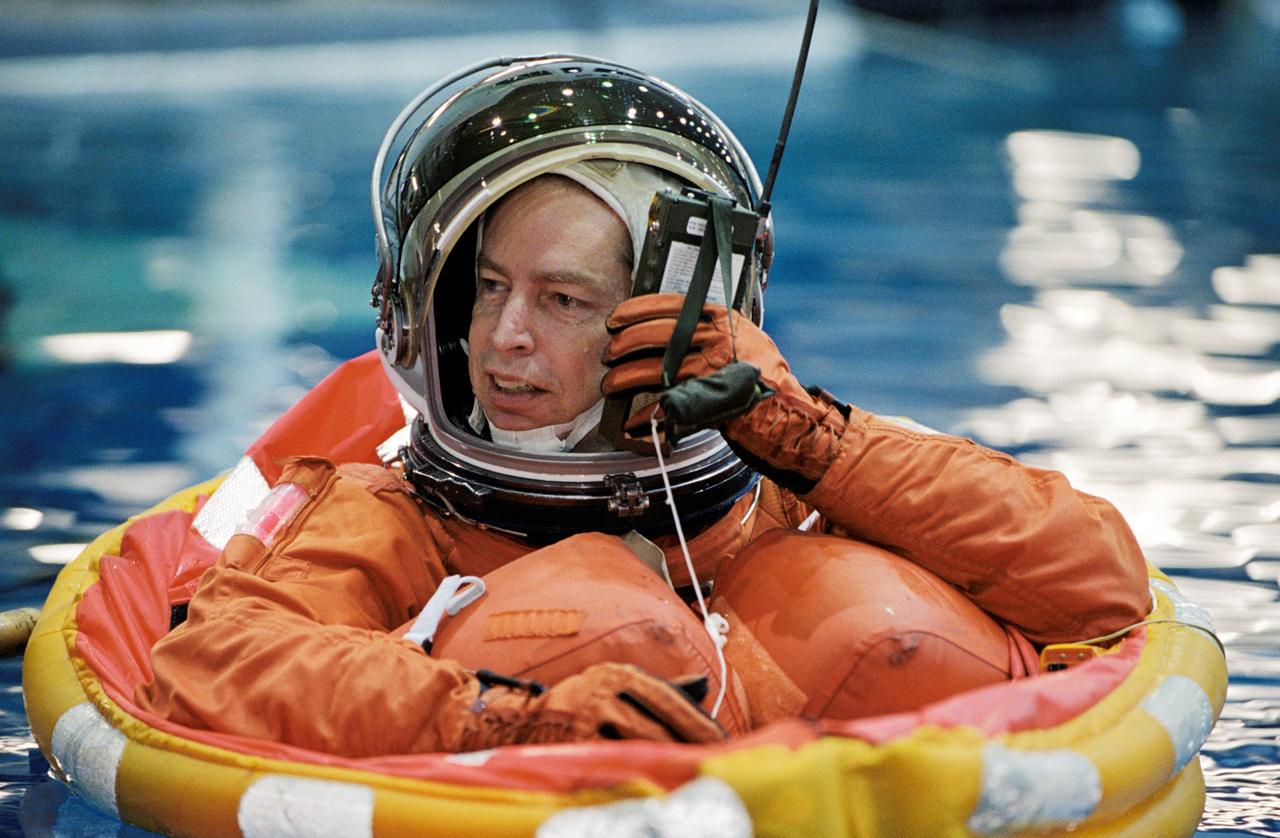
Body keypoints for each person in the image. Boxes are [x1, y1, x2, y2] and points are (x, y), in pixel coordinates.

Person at [135, 56, 1150, 756]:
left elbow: (1098, 583)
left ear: (675, 319)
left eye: (562, 300)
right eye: (488, 287)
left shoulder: (792, 484)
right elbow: (213, 664)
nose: (503, 338)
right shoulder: (394, 514)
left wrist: (811, 440)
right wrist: (505, 719)